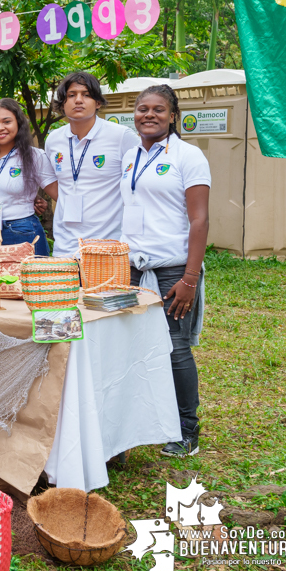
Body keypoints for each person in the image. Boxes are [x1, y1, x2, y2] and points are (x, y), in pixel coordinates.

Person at [121, 85, 210, 457]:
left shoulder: (189, 156)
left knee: (174, 349)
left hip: (173, 273)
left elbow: (200, 219)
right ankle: (141, 424)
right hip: (133, 270)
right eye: (143, 109)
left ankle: (187, 430)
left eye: (159, 109)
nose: (149, 115)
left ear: (173, 115)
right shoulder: (130, 156)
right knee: (131, 347)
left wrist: (190, 279)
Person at [44, 72, 138, 256]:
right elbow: (56, 183)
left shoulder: (121, 136)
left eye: (86, 94)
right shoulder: (54, 140)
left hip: (107, 247)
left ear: (98, 102)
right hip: (64, 248)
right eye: (71, 95)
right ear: (63, 103)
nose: (78, 100)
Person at [0, 99, 58, 256]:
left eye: (6, 122)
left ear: (18, 123)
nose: (0, 128)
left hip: (21, 231)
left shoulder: (34, 156)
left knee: (27, 280)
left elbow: (60, 195)